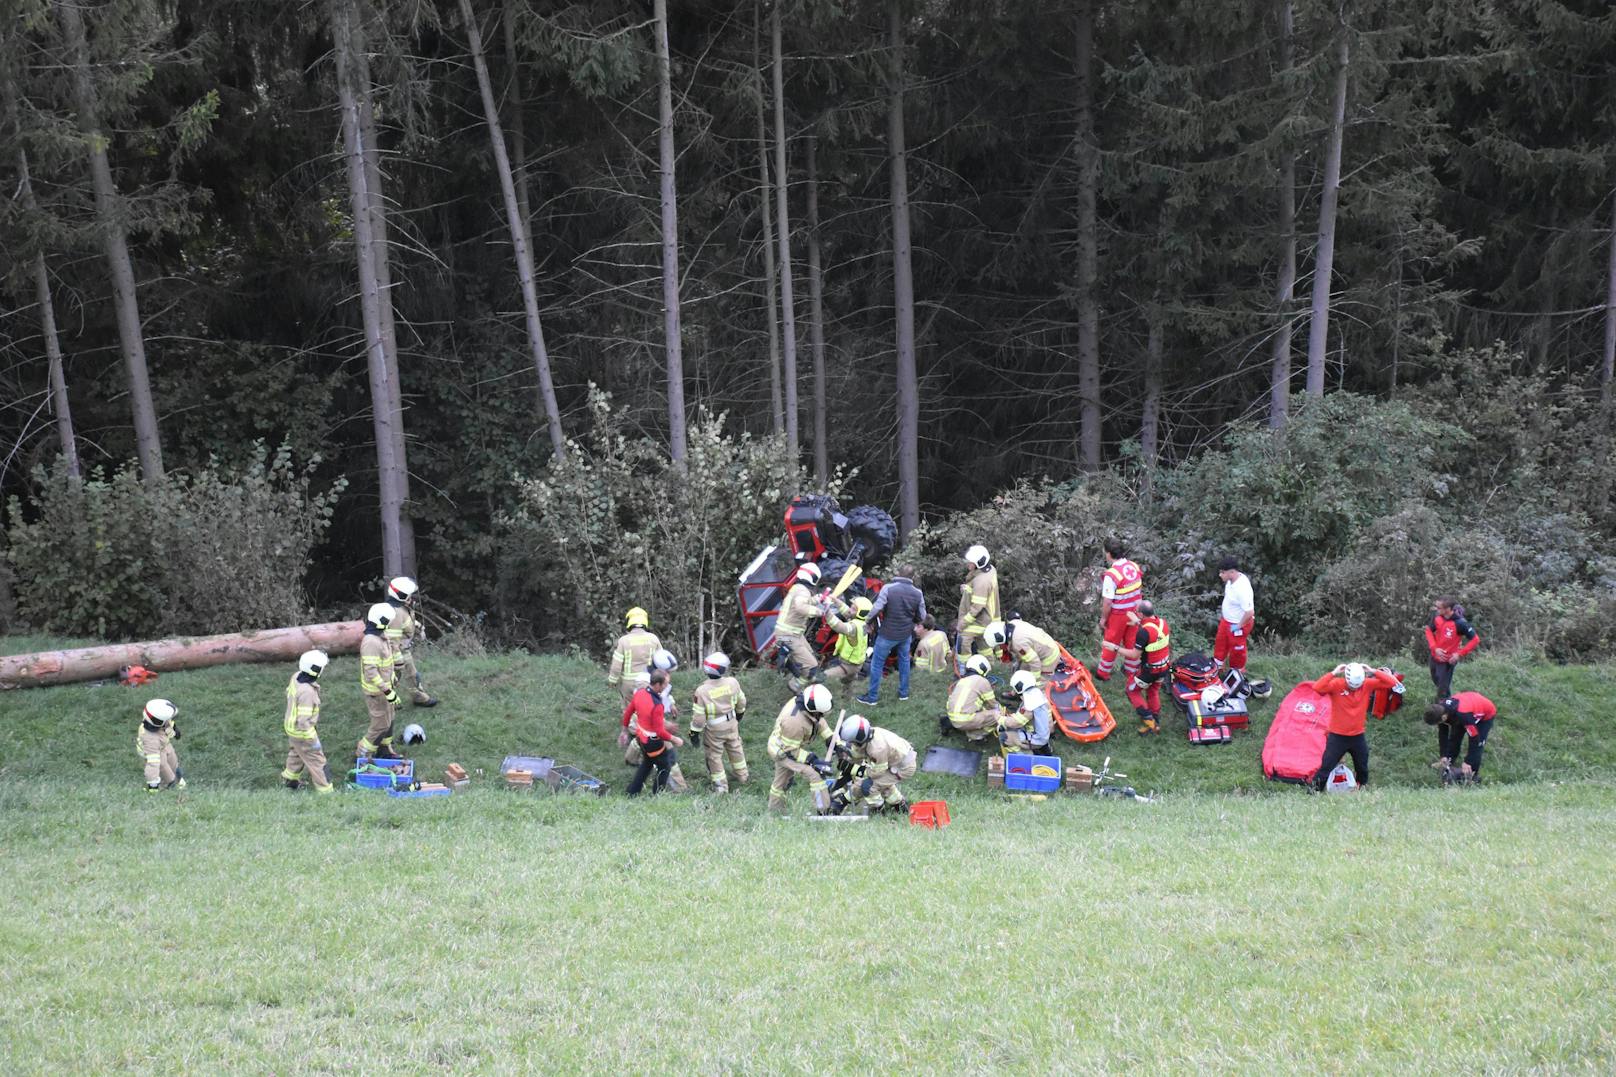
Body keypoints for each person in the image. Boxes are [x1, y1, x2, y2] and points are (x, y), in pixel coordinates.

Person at [1310, 662, 1400, 791]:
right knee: (1326, 766)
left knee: (1362, 766)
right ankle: (1313, 791)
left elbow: (1392, 683)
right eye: (1352, 686)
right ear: (1346, 678)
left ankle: (1361, 788)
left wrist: (1373, 671)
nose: (1355, 689)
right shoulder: (1336, 684)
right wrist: (1334, 672)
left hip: (1357, 736)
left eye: (1357, 686)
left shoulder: (1366, 684)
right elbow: (1317, 687)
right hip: (1337, 736)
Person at [858, 564, 927, 705]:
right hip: (905, 634)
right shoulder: (918, 593)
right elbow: (922, 616)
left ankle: (872, 697)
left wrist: (868, 621)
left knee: (877, 664)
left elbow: (877, 608)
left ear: (898, 573)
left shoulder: (888, 589)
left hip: (887, 634)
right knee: (904, 662)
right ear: (913, 577)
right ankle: (903, 694)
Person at [765, 684, 837, 813]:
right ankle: (823, 811)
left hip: (787, 745)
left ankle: (774, 811)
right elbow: (791, 751)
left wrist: (830, 738)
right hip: (783, 752)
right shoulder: (794, 721)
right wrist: (813, 760)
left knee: (781, 783)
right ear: (814, 710)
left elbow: (818, 721)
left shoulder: (806, 704)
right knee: (815, 774)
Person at [830, 715, 916, 817]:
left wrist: (853, 769)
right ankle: (900, 806)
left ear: (859, 739)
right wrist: (846, 752)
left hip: (903, 767)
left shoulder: (877, 749)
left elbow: (877, 772)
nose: (852, 744)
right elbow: (860, 752)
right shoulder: (870, 734)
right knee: (880, 784)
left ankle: (879, 811)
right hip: (892, 762)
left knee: (868, 786)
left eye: (852, 742)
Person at [690, 652, 749, 793]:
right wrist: (739, 715)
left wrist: (694, 733)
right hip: (732, 723)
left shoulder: (702, 691)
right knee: (735, 748)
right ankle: (743, 777)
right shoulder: (733, 682)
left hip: (714, 728)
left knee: (714, 755)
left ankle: (720, 786)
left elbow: (699, 717)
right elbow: (742, 701)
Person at [622, 670, 683, 795]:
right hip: (653, 742)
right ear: (658, 685)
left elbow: (628, 712)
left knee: (647, 764)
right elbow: (660, 731)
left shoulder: (640, 694)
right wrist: (674, 739)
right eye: (665, 684)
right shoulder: (657, 705)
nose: (667, 687)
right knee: (665, 765)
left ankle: (632, 791)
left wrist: (624, 730)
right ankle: (658, 794)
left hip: (641, 738)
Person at [1115, 601, 1172, 735]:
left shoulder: (1143, 632)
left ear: (1140, 614)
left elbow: (1134, 655)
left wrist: (1115, 648)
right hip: (1164, 668)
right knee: (1153, 691)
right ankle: (1156, 721)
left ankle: (1149, 721)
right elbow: (1153, 632)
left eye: (1136, 612)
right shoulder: (1163, 623)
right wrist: (1138, 622)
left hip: (1150, 671)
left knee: (1131, 690)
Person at [281, 649, 333, 793]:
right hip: (302, 732)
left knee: (296, 752)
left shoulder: (296, 676)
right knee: (317, 760)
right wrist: (313, 741)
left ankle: (289, 780)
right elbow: (303, 722)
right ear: (317, 670)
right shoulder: (307, 693)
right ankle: (326, 792)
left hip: (291, 727)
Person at [357, 602, 402, 760]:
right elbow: (371, 672)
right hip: (376, 692)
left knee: (390, 719)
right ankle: (362, 754)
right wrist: (387, 691)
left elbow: (385, 663)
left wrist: (392, 679)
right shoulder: (371, 642)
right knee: (380, 724)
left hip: (385, 688)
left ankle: (385, 750)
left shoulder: (381, 635)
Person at [1095, 539, 1144, 681]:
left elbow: (1108, 602)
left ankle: (1103, 674)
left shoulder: (1112, 575)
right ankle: (1131, 671)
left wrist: (1103, 619)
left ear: (1109, 554)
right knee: (1132, 642)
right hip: (1134, 612)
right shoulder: (1134, 566)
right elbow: (1138, 590)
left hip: (1118, 615)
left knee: (1111, 643)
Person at [383, 576, 437, 706]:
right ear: (400, 595)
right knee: (393, 678)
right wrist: (397, 660)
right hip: (396, 652)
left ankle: (418, 698)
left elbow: (408, 621)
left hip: (404, 650)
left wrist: (419, 627)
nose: (411, 598)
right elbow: (392, 640)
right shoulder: (395, 613)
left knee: (413, 675)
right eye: (408, 595)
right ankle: (386, 702)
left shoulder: (403, 608)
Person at [1424, 692, 1498, 783]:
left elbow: (1474, 739)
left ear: (1443, 717)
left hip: (1486, 713)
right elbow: (1443, 733)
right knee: (1454, 737)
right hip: (1467, 705)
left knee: (1478, 745)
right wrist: (1443, 756)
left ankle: (1473, 776)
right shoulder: (1440, 709)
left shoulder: (1464, 716)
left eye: (1437, 723)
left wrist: (1468, 761)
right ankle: (1448, 762)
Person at [775, 563, 827, 690]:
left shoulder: (797, 588)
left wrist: (818, 599)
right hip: (789, 635)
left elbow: (804, 602)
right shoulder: (803, 591)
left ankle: (791, 663)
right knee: (812, 665)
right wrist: (819, 612)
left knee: (810, 655)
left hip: (791, 634)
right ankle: (795, 684)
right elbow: (800, 607)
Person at [953, 545, 1002, 667]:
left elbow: (977, 607)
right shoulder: (989, 570)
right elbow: (980, 592)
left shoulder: (981, 581)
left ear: (978, 563)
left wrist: (962, 623)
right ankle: (990, 667)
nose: (967, 564)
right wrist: (967, 589)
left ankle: (964, 670)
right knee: (984, 645)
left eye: (970, 562)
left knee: (964, 641)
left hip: (979, 619)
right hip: (986, 618)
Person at [1424, 598, 1479, 698]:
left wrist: (1459, 654)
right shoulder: (1437, 617)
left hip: (1447, 661)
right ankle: (1449, 699)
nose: (1436, 609)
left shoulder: (1460, 623)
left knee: (1442, 688)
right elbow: (1428, 630)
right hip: (1434, 656)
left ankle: (1445, 707)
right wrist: (1434, 648)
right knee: (1437, 680)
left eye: (1439, 607)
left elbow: (1475, 639)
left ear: (1448, 609)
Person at [607, 607, 661, 708]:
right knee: (648, 708)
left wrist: (612, 681)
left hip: (629, 684)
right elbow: (662, 661)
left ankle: (632, 722)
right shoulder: (653, 639)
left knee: (630, 710)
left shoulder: (624, 641)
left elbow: (616, 666)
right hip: (649, 682)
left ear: (629, 622)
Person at [1214, 555, 1256, 679]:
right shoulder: (1231, 581)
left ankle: (1237, 674)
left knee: (1237, 650)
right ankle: (1217, 667)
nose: (1220, 575)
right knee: (1220, 643)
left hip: (1238, 624)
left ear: (1232, 572)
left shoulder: (1242, 589)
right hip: (1226, 621)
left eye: (1222, 572)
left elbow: (1249, 612)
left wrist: (1238, 626)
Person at [944, 655, 1003, 741]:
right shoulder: (982, 681)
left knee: (983, 710)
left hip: (952, 717)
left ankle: (968, 727)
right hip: (965, 720)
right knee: (998, 714)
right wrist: (1004, 713)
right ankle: (976, 734)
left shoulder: (962, 681)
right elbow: (993, 704)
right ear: (982, 669)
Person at [822, 596, 874, 686]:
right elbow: (847, 611)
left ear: (861, 613)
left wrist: (827, 612)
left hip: (849, 666)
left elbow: (839, 627)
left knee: (823, 676)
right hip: (855, 664)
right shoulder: (862, 621)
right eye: (851, 606)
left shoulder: (855, 626)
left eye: (853, 608)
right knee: (848, 684)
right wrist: (835, 600)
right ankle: (847, 697)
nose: (850, 609)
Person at [999, 670, 1053, 753]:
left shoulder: (1029, 705)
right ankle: (1044, 747)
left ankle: (1024, 756)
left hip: (1036, 738)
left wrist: (1000, 718)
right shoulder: (1039, 694)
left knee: (1004, 736)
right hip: (1044, 734)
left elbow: (1014, 723)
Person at [136, 698, 184, 792]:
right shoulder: (150, 738)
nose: (169, 721)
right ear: (158, 722)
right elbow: (152, 765)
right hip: (155, 750)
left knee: (173, 762)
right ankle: (169, 782)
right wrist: (152, 785)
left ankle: (177, 778)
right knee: (162, 766)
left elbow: (169, 723)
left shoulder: (160, 722)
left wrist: (174, 730)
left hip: (165, 744)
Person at [983, 617, 1060, 676]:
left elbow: (1035, 662)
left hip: (1048, 658)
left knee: (1036, 687)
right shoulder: (1013, 623)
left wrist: (1033, 681)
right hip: (1045, 645)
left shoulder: (1018, 644)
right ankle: (1016, 693)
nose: (1000, 647)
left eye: (998, 645)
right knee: (1022, 671)